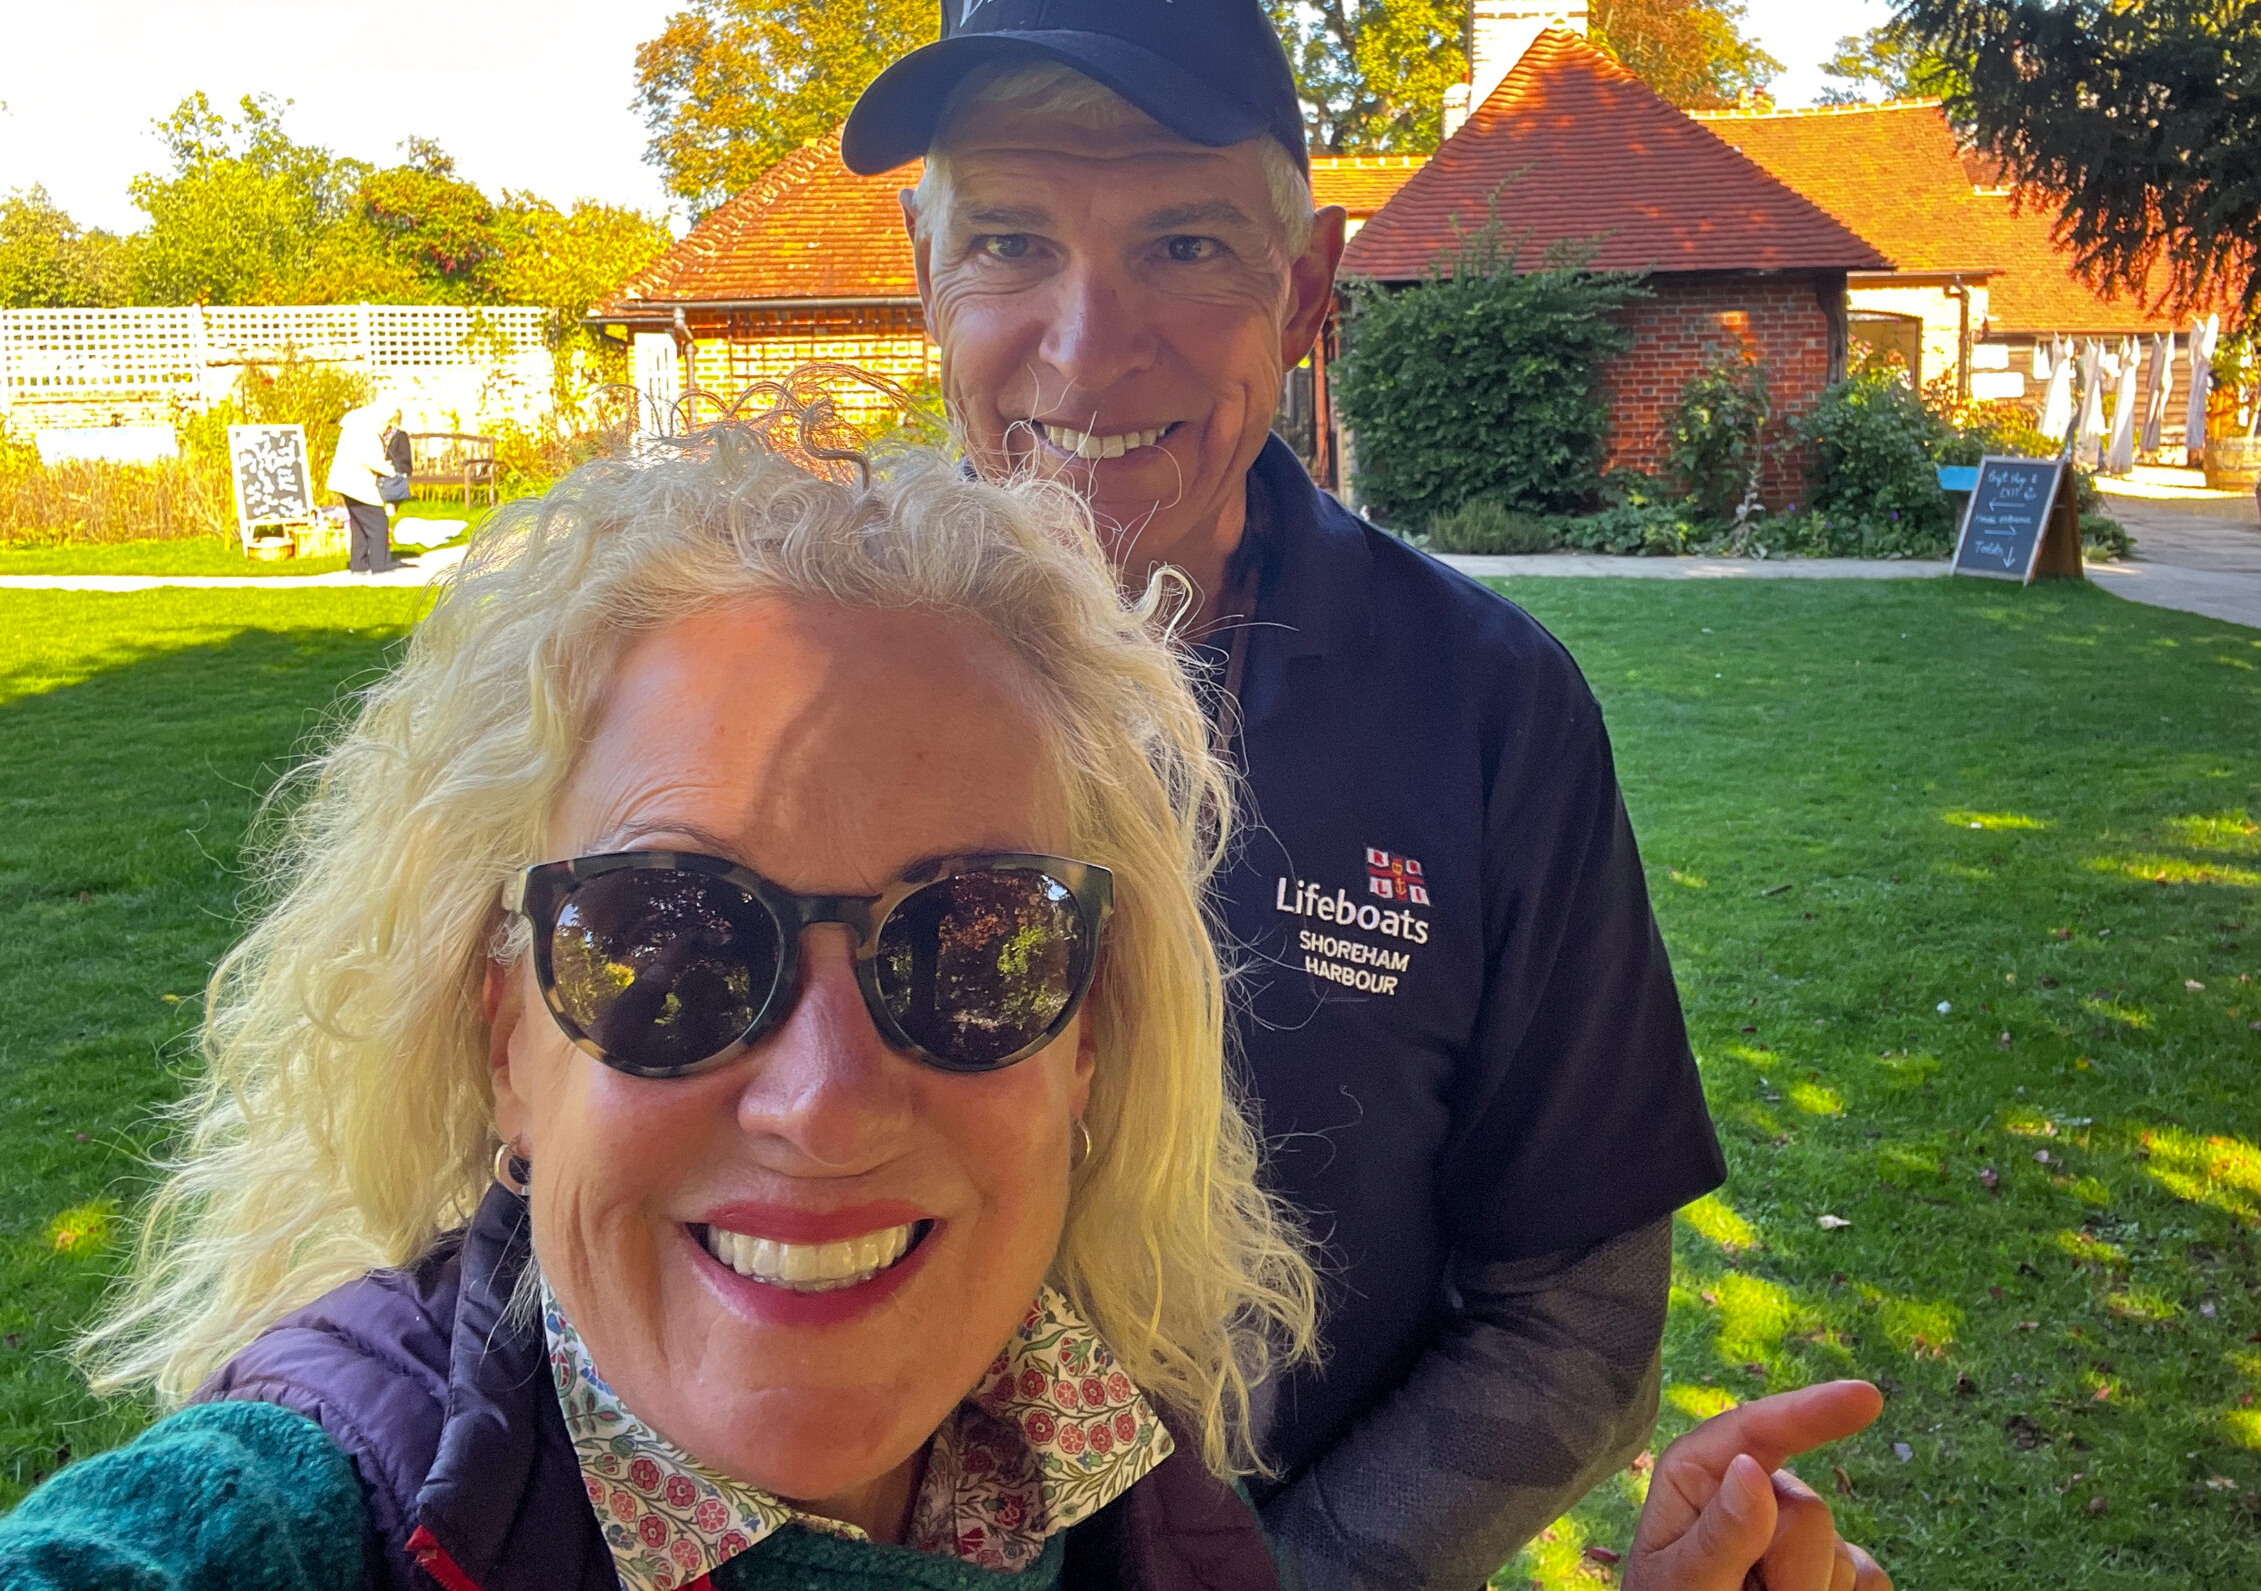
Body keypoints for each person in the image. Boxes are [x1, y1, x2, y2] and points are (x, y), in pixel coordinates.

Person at [0, 425, 1886, 1591]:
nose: (825, 1098)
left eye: (976, 945)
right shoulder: (307, 1512)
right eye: (669, 941)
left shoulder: (1124, 1494)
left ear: (1089, 1045)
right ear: (504, 1034)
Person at [843, 0, 1789, 1588]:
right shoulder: (781, 682)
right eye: (1010, 241)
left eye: (1184, 244)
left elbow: (1576, 1316)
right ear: (926, 273)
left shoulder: (1488, 710)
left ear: (1305, 290)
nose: (1087, 343)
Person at [326, 399, 404, 574]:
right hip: (358, 484)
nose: (388, 429)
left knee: (360, 525)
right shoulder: (366, 430)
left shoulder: (356, 424)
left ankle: (359, 564)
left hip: (346, 482)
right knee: (378, 523)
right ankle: (380, 565)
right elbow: (371, 459)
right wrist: (391, 471)